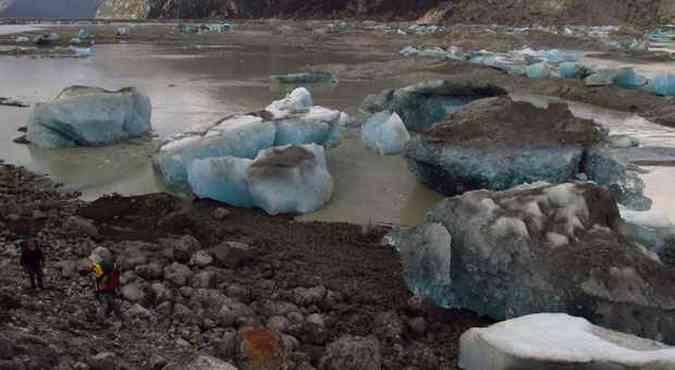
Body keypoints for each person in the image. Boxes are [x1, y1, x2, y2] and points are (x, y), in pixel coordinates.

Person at [90, 254, 123, 320]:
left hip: (108, 291)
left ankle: (119, 318)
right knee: (105, 304)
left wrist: (118, 291)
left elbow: (117, 282)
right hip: (103, 291)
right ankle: (100, 318)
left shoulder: (116, 271)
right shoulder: (110, 270)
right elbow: (103, 280)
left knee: (112, 305)